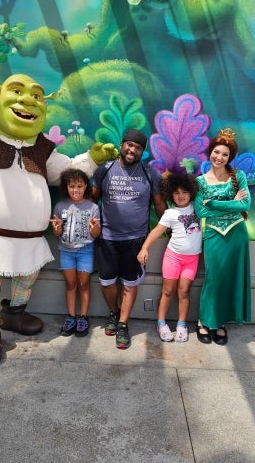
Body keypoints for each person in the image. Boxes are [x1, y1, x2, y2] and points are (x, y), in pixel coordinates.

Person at [0, 74, 118, 367]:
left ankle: (14, 315)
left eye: (36, 95)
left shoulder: (42, 146)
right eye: (16, 91)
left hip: (29, 239)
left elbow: (65, 172)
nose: (27, 100)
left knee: (26, 280)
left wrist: (91, 159)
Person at [91, 129, 166, 349]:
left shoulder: (150, 173)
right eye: (129, 145)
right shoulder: (104, 170)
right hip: (107, 237)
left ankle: (123, 324)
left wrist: (171, 226)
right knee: (107, 282)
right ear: (122, 145)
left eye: (138, 148)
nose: (133, 150)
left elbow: (160, 204)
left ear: (142, 152)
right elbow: (91, 200)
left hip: (136, 239)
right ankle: (114, 313)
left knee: (130, 284)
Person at [194, 127, 251, 345]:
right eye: (217, 152)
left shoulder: (239, 176)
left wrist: (216, 203)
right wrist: (232, 204)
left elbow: (245, 204)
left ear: (230, 157)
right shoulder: (200, 182)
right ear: (210, 152)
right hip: (213, 234)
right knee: (214, 278)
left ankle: (220, 323)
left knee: (230, 278)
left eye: (225, 154)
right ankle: (203, 321)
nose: (220, 157)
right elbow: (201, 211)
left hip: (237, 233)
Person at [137, 173, 202, 342]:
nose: (181, 196)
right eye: (177, 193)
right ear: (171, 194)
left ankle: (181, 324)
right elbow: (156, 232)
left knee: (184, 291)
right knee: (167, 291)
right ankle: (161, 323)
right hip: (173, 258)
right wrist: (144, 248)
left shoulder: (198, 207)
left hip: (192, 259)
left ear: (191, 193)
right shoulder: (170, 213)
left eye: (185, 192)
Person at [51, 168, 101, 337]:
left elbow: (96, 235)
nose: (76, 190)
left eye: (79, 186)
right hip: (66, 251)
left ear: (86, 186)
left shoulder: (93, 207)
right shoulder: (60, 206)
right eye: (72, 186)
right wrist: (56, 228)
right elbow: (57, 233)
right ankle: (71, 317)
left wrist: (94, 228)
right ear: (67, 187)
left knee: (84, 284)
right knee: (71, 284)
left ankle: (83, 318)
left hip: (86, 251)